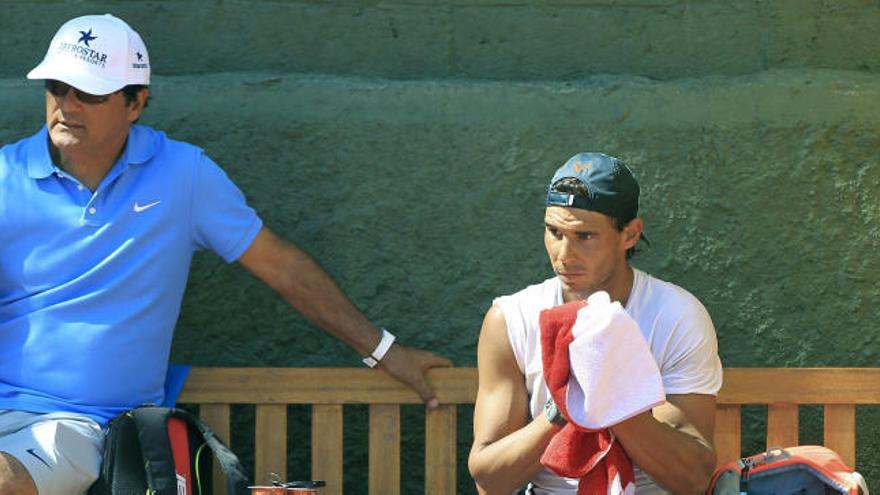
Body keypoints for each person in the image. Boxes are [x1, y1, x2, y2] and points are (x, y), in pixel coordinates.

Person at [0, 14, 451, 495]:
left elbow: (281, 266)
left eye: (88, 92)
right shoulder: (5, 173)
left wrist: (384, 350)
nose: (66, 105)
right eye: (56, 86)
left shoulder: (184, 175)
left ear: (136, 103)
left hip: (80, 425)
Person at [468, 152, 723, 494]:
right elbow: (490, 479)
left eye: (585, 236)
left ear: (630, 235)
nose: (564, 254)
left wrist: (611, 393)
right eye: (554, 232)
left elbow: (692, 480)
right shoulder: (511, 318)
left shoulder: (676, 315)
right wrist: (562, 408)